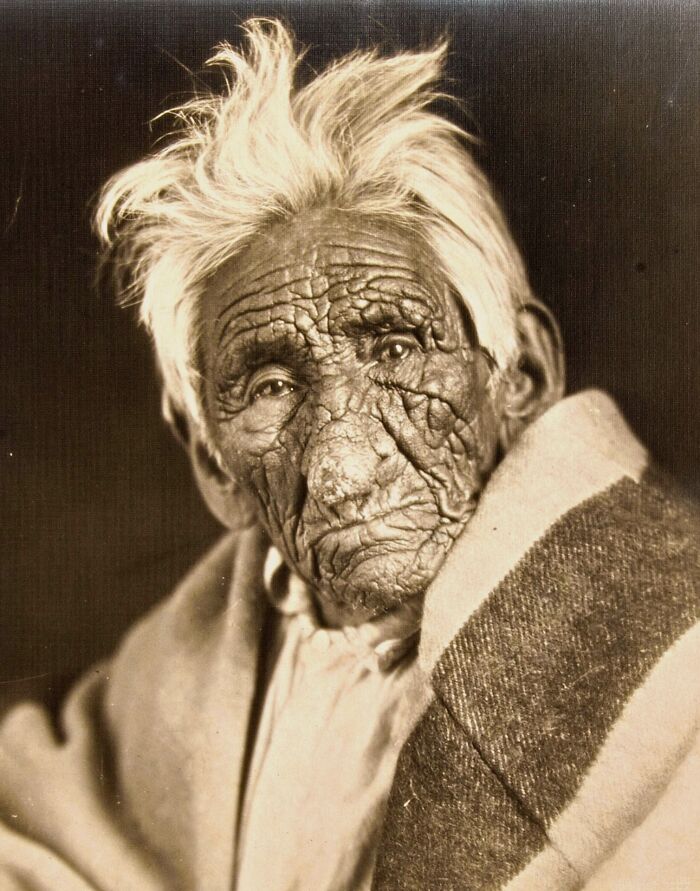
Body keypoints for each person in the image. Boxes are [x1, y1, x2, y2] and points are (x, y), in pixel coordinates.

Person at [0, 19, 697, 891]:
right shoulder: (216, 639)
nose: (344, 464)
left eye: (397, 349)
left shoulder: (678, 648)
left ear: (521, 375)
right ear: (214, 465)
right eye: (266, 387)